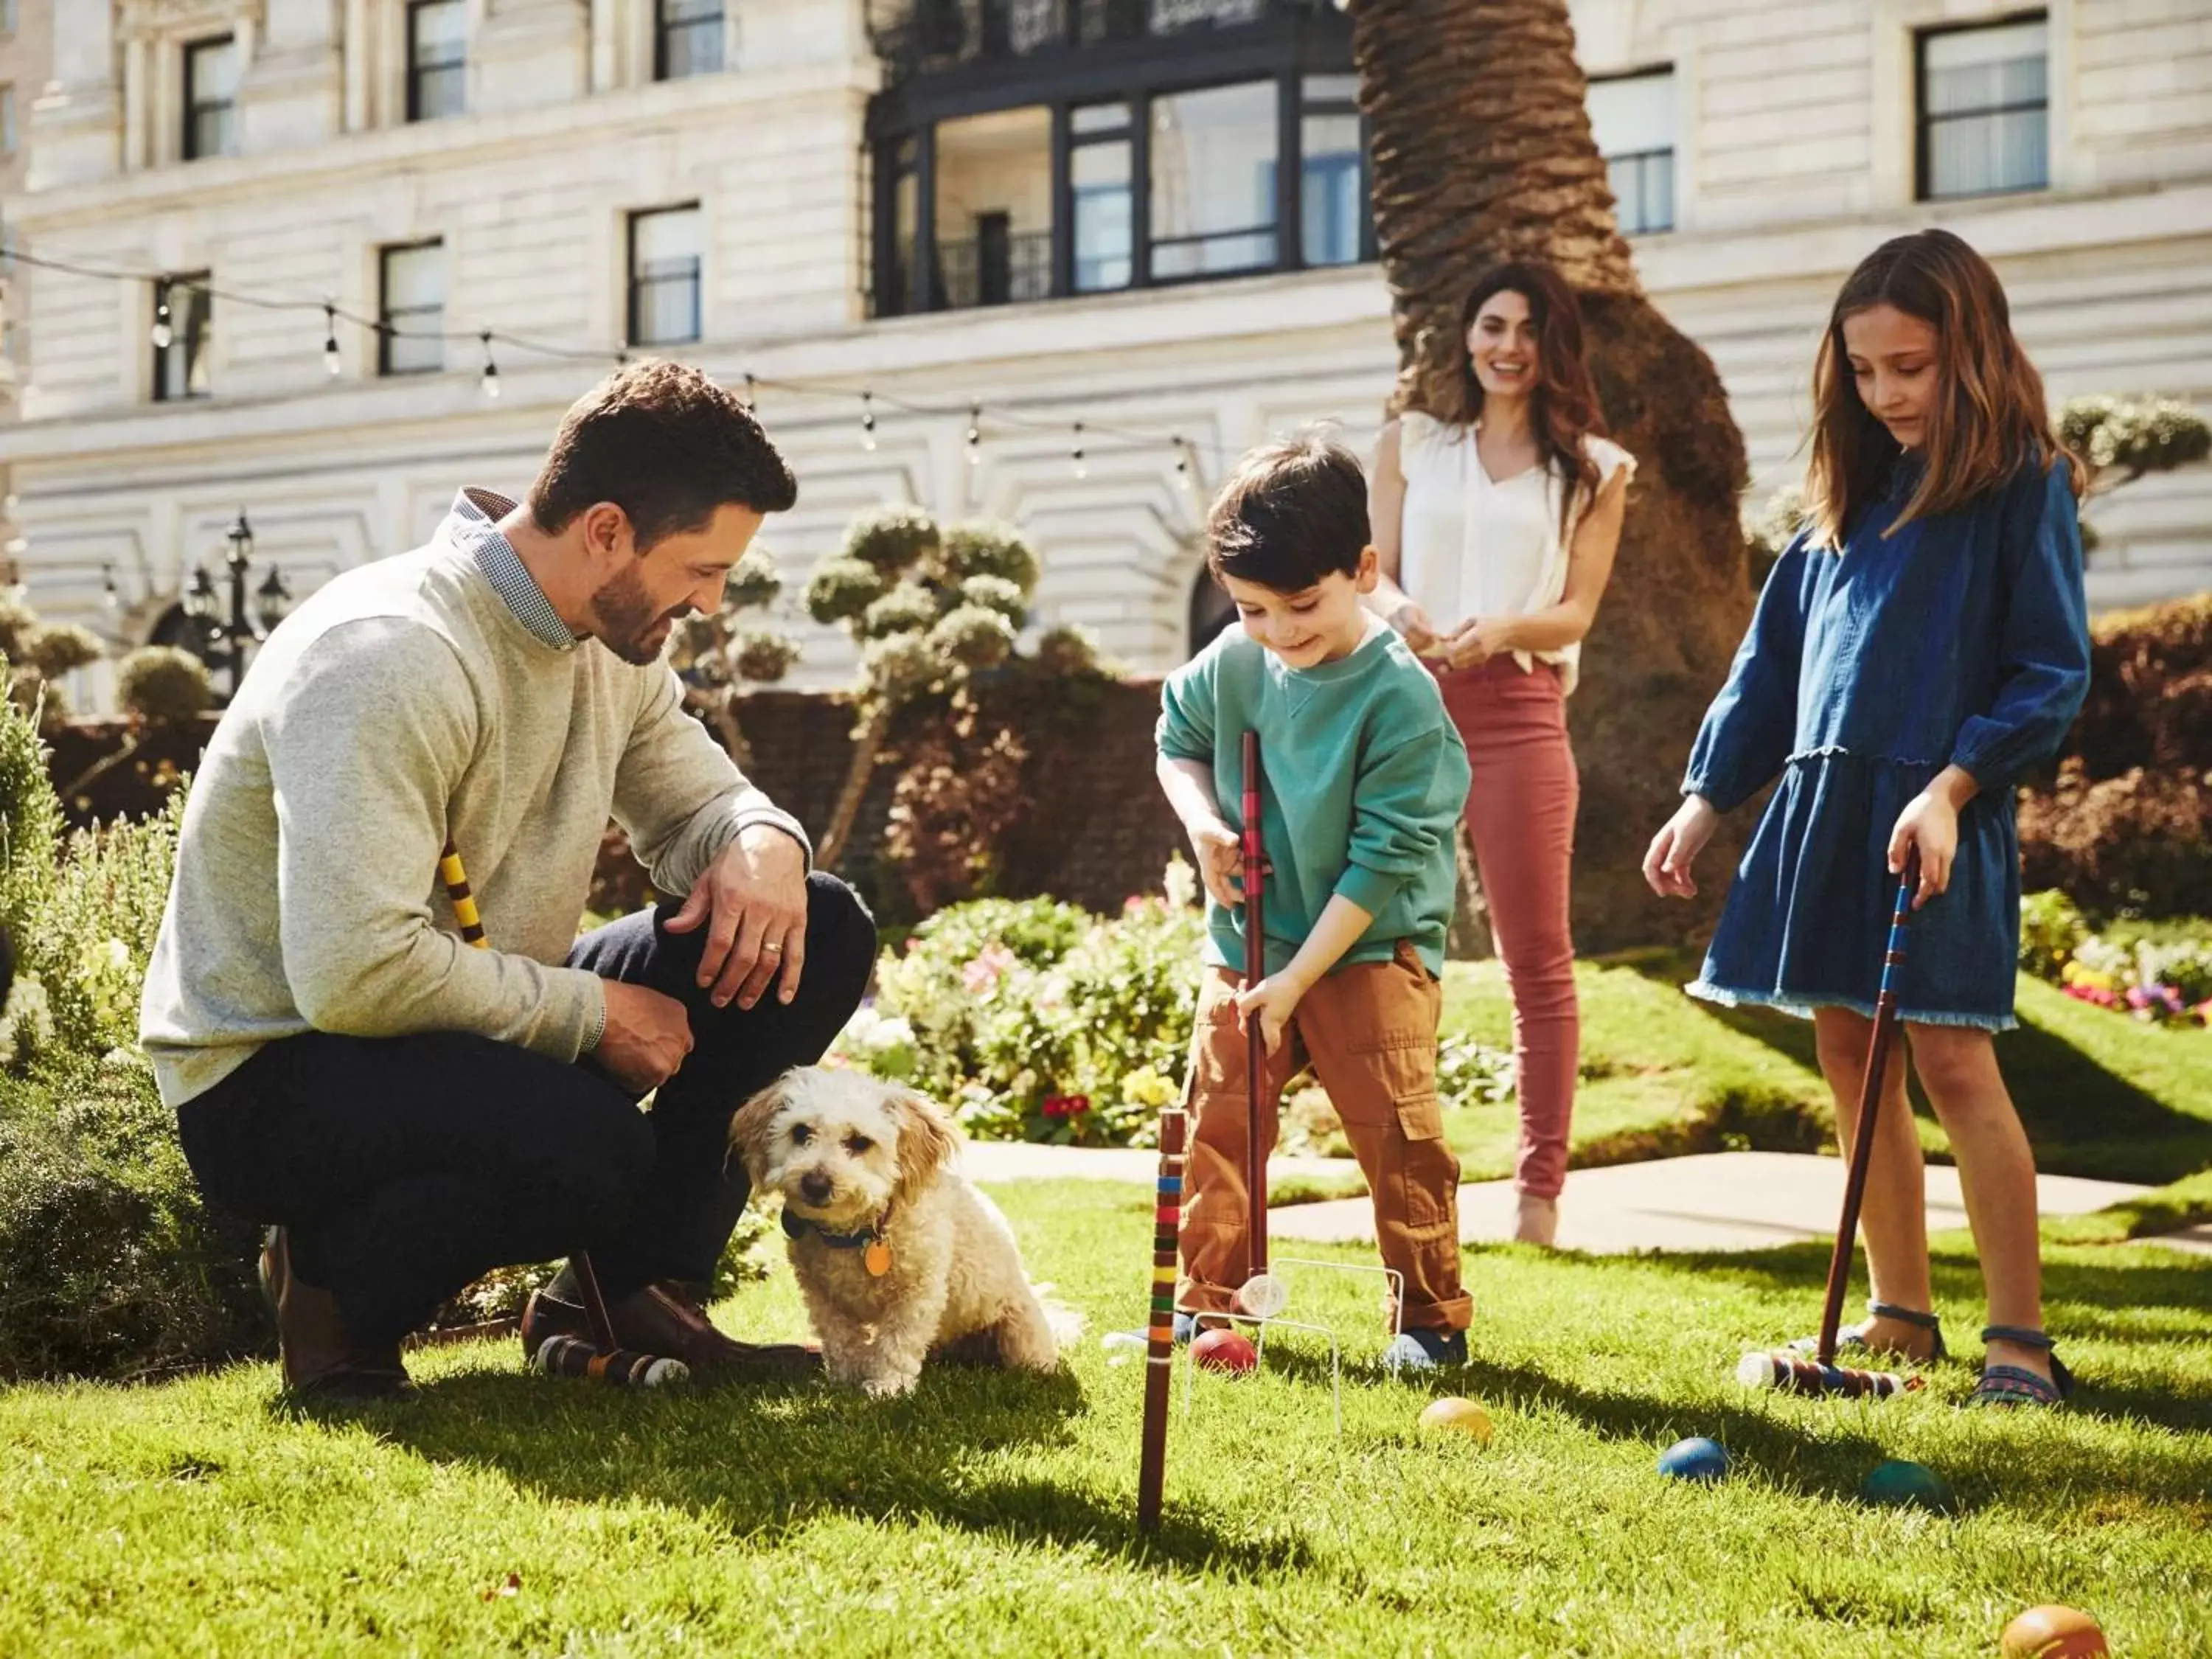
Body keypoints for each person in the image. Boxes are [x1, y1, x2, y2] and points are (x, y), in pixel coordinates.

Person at [140, 361, 877, 1402]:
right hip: (278, 1064)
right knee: (590, 1149)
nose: (711, 601)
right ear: (608, 531)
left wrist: (762, 839)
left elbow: (696, 802)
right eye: (702, 568)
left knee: (822, 930)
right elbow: (353, 971)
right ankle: (334, 1293)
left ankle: (624, 1293)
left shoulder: (613, 640)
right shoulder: (392, 654)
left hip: (458, 1004)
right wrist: (589, 1013)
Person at [1643, 229, 2091, 1407]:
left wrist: (1953, 788)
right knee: (1848, 1051)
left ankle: (2021, 1341)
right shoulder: (1834, 516)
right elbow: (1766, 673)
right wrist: (1705, 799)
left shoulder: (2022, 490)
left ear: (1974, 356)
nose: (1887, 392)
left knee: (1953, 1056)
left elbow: (2049, 672)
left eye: (1915, 366)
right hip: (1827, 813)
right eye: (1865, 369)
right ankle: (1900, 1311)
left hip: (1936, 816)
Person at [1155, 431, 1475, 1371]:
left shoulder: (1400, 698)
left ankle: (1429, 1319)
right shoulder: (1234, 661)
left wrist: (1296, 980)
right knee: (1220, 1118)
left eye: (1304, 605)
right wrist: (1203, 824)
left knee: (1396, 1134)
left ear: (1364, 570)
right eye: (1255, 609)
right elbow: (1175, 741)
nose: (1282, 632)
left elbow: (1385, 861)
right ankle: (1212, 1303)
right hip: (1246, 938)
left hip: (1367, 945)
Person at [1365, 261, 1635, 1246]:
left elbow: (1576, 613)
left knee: (1537, 960)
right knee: (1397, 950)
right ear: (1465, 336)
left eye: (1528, 329)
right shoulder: (1413, 445)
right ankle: (1411, 1183)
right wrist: (1405, 613)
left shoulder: (1595, 468)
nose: (1507, 345)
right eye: (1491, 324)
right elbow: (1372, 570)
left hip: (1521, 710)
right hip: (1409, 711)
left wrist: (1496, 628)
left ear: (1554, 346)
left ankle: (1537, 1197)